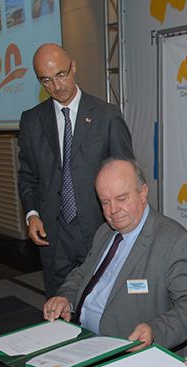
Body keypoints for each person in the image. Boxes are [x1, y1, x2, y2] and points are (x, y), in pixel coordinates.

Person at [43, 158, 187, 356]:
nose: (113, 210)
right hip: (81, 338)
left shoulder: (174, 241)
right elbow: (82, 275)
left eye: (121, 199)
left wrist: (155, 331)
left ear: (143, 193)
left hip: (129, 350)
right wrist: (66, 299)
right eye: (105, 202)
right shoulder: (105, 232)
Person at [18, 43, 134, 297]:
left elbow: (127, 176)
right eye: (46, 80)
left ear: (73, 67)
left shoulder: (107, 116)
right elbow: (27, 176)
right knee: (58, 308)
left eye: (61, 75)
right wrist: (32, 215)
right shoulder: (31, 120)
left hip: (100, 231)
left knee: (100, 304)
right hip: (53, 236)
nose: (57, 86)